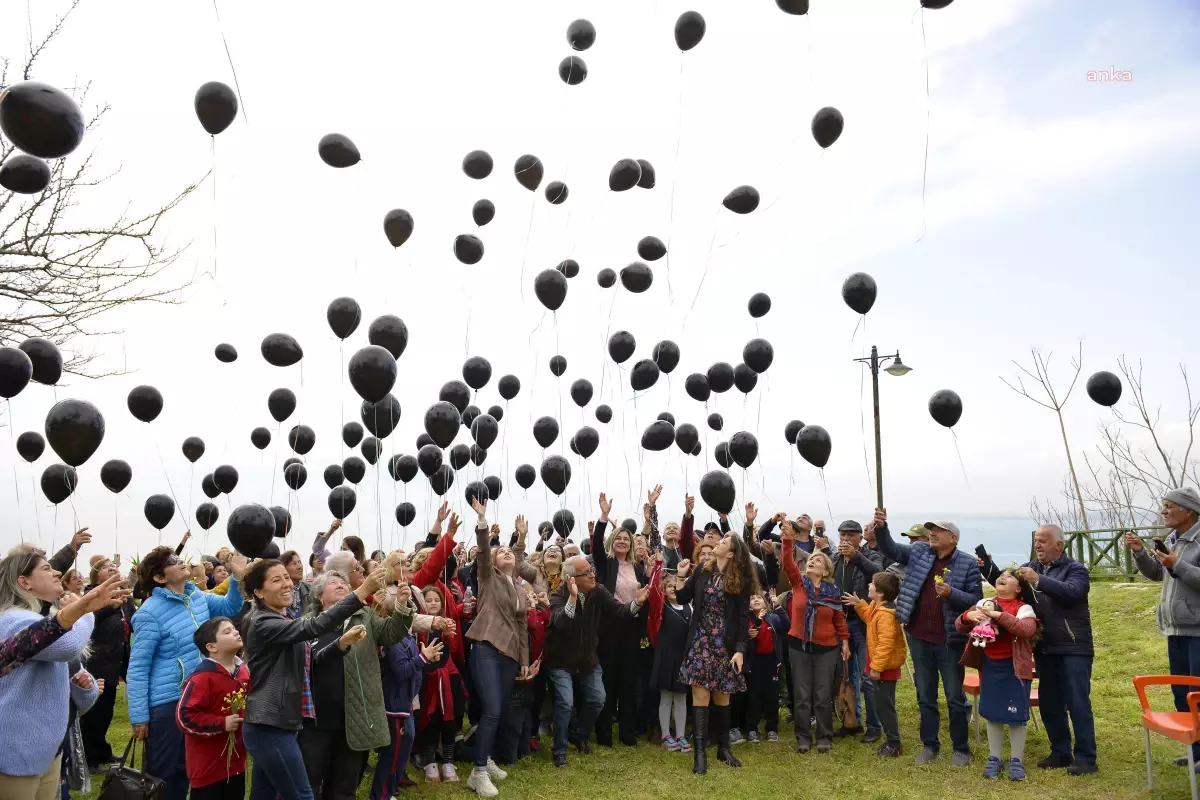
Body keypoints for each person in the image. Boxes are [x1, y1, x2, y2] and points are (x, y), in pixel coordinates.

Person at [242, 557, 389, 800]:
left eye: (286, 577)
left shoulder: (283, 620)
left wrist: (340, 644)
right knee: (302, 795)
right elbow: (315, 626)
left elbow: (308, 667)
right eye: (276, 580)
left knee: (264, 795)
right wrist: (362, 591)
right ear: (258, 592)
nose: (287, 584)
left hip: (278, 724)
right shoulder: (262, 622)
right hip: (269, 726)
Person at [127, 546, 247, 800]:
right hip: (167, 701)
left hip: (199, 696)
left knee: (195, 768)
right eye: (171, 561)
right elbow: (138, 666)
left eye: (178, 557)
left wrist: (236, 578)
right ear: (159, 578)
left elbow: (230, 606)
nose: (181, 561)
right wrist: (139, 716)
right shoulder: (148, 613)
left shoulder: (198, 597)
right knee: (167, 774)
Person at [874, 509, 982, 766]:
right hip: (919, 637)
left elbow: (975, 601)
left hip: (949, 641)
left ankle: (961, 749)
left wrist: (951, 593)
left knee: (955, 697)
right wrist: (881, 527)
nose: (932, 533)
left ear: (953, 538)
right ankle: (930, 745)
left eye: (939, 530)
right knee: (925, 695)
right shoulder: (920, 552)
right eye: (931, 530)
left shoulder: (966, 563)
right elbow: (890, 548)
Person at [0, 552, 105, 799]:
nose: (57, 572)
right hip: (16, 753)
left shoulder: (40, 619)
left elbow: (76, 691)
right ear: (24, 582)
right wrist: (85, 611)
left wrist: (84, 686)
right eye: (47, 569)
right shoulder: (14, 619)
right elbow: (69, 646)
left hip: (44, 751)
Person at [464, 500, 538, 798]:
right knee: (493, 709)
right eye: (501, 552)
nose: (506, 553)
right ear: (494, 562)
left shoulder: (519, 588)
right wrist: (483, 520)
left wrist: (523, 659)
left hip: (509, 655)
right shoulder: (488, 577)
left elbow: (522, 627)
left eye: (510, 552)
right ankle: (478, 772)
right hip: (485, 647)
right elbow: (484, 550)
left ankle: (487, 758)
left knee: (496, 712)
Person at [543, 555, 647, 767]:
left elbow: (619, 611)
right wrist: (572, 598)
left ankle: (579, 735)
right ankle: (560, 749)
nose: (593, 575)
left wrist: (637, 603)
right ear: (571, 579)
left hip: (588, 659)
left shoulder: (598, 591)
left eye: (592, 571)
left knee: (598, 699)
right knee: (565, 703)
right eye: (587, 573)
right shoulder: (557, 595)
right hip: (560, 660)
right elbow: (561, 622)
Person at [1129, 486, 1200, 772]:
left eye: (1170, 506)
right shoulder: (1173, 538)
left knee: (1198, 695)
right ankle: (1195, 750)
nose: (1164, 511)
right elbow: (1158, 574)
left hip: (1197, 631)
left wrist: (1178, 564)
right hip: (1175, 629)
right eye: (1164, 505)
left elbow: (1181, 570)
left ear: (1189, 511)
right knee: (1182, 693)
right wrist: (1140, 554)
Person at [676, 530, 755, 775]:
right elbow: (682, 596)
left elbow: (743, 619)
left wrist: (740, 650)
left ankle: (723, 748)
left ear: (730, 553)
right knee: (700, 698)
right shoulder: (702, 571)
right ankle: (700, 755)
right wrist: (680, 577)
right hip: (700, 642)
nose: (717, 543)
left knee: (723, 698)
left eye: (723, 542)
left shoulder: (741, 580)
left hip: (725, 645)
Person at [955, 569, 1039, 780]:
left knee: (1016, 716)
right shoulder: (984, 602)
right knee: (992, 714)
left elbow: (1026, 630)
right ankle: (995, 758)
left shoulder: (1024, 607)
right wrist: (968, 615)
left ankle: (1016, 760)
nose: (1002, 577)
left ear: (1018, 588)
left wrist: (998, 615)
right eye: (1001, 575)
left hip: (1015, 670)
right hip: (990, 666)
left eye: (1009, 577)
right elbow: (959, 625)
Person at [780, 524, 850, 755]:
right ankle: (802, 737)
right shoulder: (799, 584)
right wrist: (788, 540)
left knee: (822, 695)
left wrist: (845, 643)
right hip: (799, 646)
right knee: (801, 696)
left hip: (826, 649)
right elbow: (788, 564)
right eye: (810, 560)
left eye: (817, 561)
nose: (811, 562)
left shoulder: (833, 592)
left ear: (825, 570)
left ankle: (823, 737)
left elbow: (839, 620)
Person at [590, 491, 650, 748]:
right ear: (612, 542)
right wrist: (603, 517)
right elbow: (595, 546)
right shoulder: (606, 564)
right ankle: (604, 734)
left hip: (632, 629)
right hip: (608, 629)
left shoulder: (638, 569)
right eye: (619, 538)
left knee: (628, 681)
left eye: (627, 539)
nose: (623, 542)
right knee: (609, 680)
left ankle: (627, 732)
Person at [373, 586, 440, 800]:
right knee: (392, 755)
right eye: (409, 610)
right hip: (395, 707)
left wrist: (424, 658)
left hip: (405, 704)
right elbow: (402, 672)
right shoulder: (395, 639)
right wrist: (423, 658)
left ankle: (390, 790)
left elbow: (414, 671)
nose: (414, 614)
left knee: (403, 749)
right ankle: (381, 795)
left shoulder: (408, 637)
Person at [176, 617, 251, 800]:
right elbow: (184, 717)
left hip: (236, 763)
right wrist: (221, 722)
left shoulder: (243, 671)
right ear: (212, 647)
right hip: (208, 767)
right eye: (227, 632)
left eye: (234, 628)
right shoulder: (202, 677)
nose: (235, 632)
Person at [79, 557, 136, 773]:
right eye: (105, 566)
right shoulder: (91, 594)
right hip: (95, 664)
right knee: (93, 714)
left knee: (106, 712)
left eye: (113, 565)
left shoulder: (124, 596)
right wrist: (110, 606)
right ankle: (89, 759)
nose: (112, 567)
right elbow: (86, 620)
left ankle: (103, 751)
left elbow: (134, 620)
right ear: (95, 575)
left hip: (114, 663)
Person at [829, 519, 883, 741]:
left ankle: (874, 726)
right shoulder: (834, 558)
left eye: (851, 535)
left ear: (860, 537)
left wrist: (856, 556)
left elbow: (879, 574)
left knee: (866, 675)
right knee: (846, 676)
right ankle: (852, 721)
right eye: (843, 535)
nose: (846, 539)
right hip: (840, 625)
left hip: (862, 623)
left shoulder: (870, 555)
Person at [846, 571, 907, 758]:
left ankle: (894, 743)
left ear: (880, 593)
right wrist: (860, 605)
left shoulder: (886, 615)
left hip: (884, 669)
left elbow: (886, 643)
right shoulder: (876, 607)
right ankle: (890, 740)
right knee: (882, 705)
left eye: (872, 584)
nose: (869, 586)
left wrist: (876, 668)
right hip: (879, 667)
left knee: (885, 706)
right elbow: (869, 619)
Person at [417, 586, 465, 783]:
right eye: (428, 600)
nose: (433, 603)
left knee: (449, 719)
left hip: (448, 676)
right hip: (426, 678)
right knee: (428, 719)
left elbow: (452, 649)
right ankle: (430, 761)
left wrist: (447, 634)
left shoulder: (448, 623)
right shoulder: (417, 626)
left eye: (436, 600)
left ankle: (448, 761)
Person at [647, 554, 693, 753]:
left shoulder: (689, 606)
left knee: (681, 698)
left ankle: (681, 735)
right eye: (669, 586)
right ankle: (666, 734)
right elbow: (653, 592)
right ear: (664, 590)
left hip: (684, 658)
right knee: (666, 697)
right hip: (666, 657)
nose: (673, 589)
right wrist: (657, 566)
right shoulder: (662, 608)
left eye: (677, 585)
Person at [743, 588, 786, 743]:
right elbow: (746, 636)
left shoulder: (773, 618)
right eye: (752, 598)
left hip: (771, 661)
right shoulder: (746, 619)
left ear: (766, 603)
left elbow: (786, 626)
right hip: (754, 661)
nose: (755, 600)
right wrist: (755, 623)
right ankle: (751, 729)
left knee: (771, 696)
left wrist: (778, 606)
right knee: (753, 696)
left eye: (759, 598)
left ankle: (772, 729)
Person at [279, 551, 311, 619]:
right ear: (283, 568)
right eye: (294, 564)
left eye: (299, 562)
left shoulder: (310, 589)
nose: (299, 567)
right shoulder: (277, 591)